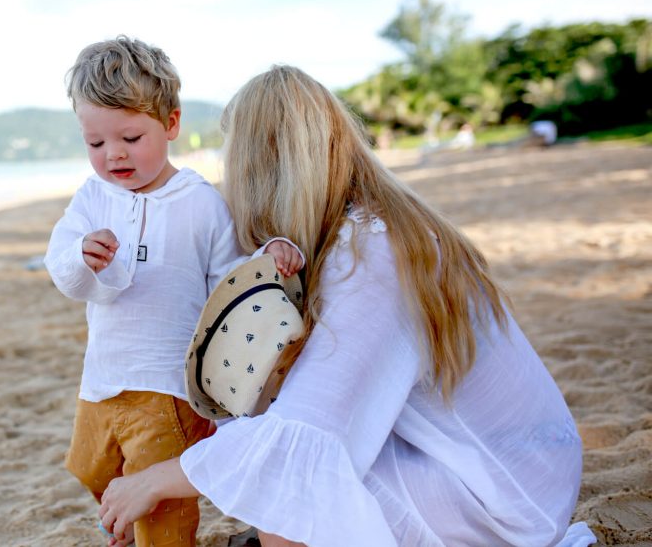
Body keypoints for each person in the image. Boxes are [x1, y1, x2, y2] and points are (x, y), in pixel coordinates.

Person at [97, 65, 595, 547]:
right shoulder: (370, 227)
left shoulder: (375, 251)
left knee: (287, 500)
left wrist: (153, 481)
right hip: (522, 468)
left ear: (259, 169)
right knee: (271, 463)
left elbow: (306, 432)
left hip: (507, 504)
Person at [44, 37, 299, 547]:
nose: (113, 154)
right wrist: (80, 256)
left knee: (163, 511)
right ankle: (123, 519)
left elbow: (227, 286)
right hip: (101, 381)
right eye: (95, 143)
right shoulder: (94, 197)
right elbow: (64, 273)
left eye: (131, 138)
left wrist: (267, 256)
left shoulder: (200, 203)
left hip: (168, 386)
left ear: (171, 124)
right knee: (93, 468)